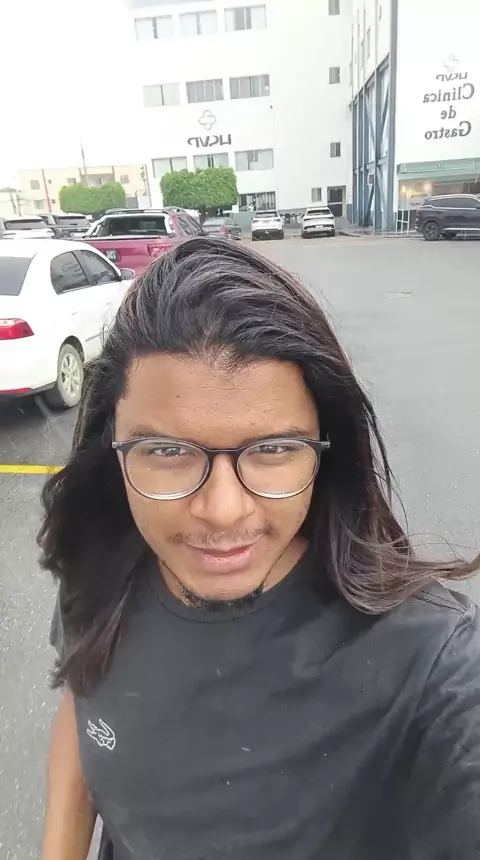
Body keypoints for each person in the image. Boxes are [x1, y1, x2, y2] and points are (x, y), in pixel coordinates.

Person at [39, 236, 480, 860]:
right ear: (114, 448)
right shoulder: (101, 567)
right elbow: (83, 704)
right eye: (166, 451)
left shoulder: (433, 663)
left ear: (326, 451)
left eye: (273, 449)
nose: (223, 511)